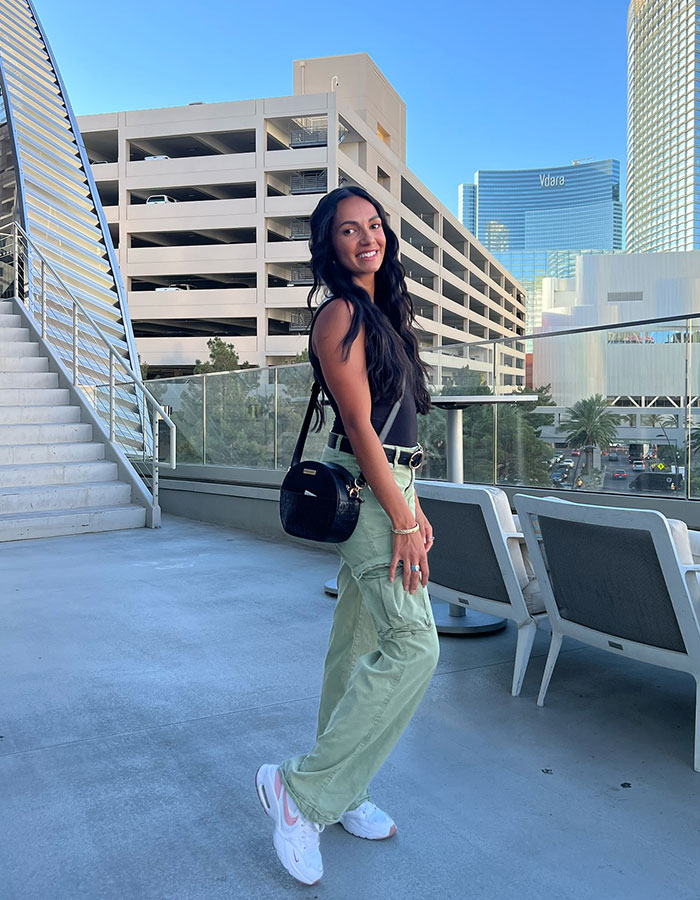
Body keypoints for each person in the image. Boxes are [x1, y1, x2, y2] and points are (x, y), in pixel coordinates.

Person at [255, 186, 440, 885]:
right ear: (329, 247)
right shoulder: (339, 314)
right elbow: (361, 426)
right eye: (347, 231)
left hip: (394, 482)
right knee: (415, 645)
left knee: (357, 644)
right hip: (367, 487)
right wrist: (398, 514)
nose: (366, 238)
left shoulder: (380, 312)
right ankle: (301, 794)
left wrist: (415, 503)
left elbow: (397, 424)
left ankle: (346, 788)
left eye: (374, 225)